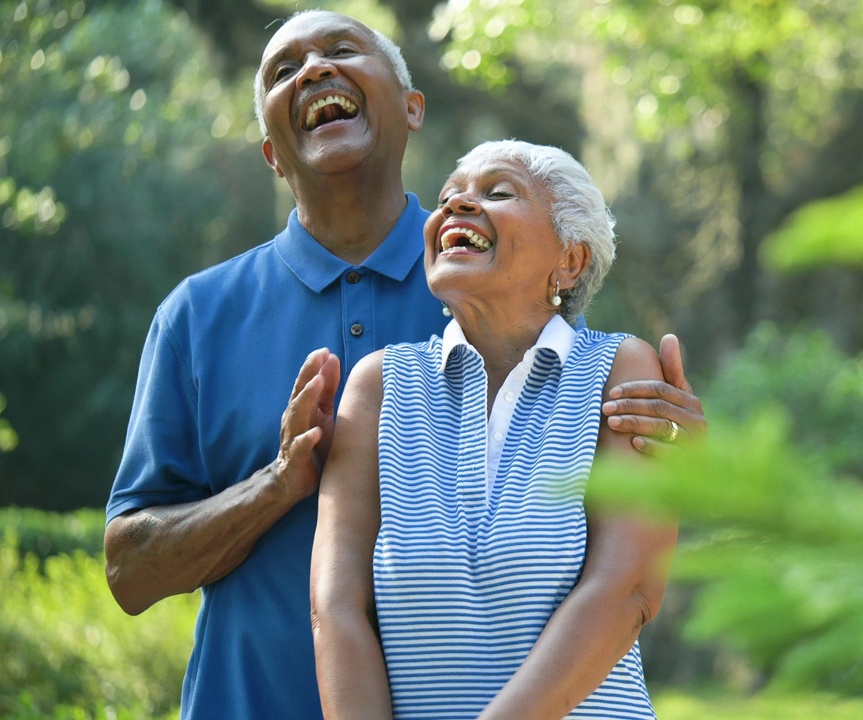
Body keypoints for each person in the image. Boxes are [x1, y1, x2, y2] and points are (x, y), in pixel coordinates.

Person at [103, 11, 704, 720]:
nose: (315, 70)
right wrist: (275, 484)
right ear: (270, 150)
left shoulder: (496, 288)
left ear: (412, 107)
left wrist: (683, 456)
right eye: (283, 69)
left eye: (341, 50)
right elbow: (129, 571)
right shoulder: (197, 316)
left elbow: (612, 539)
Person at [312, 139, 677, 720]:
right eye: (448, 196)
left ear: (571, 259)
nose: (457, 206)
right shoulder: (378, 386)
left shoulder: (620, 369)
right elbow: (335, 608)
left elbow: (627, 590)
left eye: (497, 192)